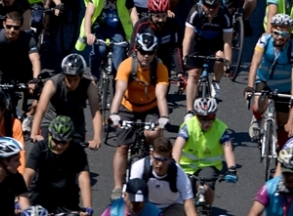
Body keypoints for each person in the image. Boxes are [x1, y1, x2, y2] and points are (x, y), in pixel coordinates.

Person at [109, 31, 171, 196]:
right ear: (136, 50)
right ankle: (117, 186)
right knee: (122, 147)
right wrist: (114, 114)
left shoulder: (160, 68)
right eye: (143, 51)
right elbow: (119, 92)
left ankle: (154, 177)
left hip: (150, 108)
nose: (146, 56)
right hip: (127, 108)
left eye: (150, 52)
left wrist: (164, 118)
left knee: (155, 136)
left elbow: (161, 96)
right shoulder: (126, 65)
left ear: (155, 52)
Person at [246, 11, 293, 143]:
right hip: (264, 80)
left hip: (284, 86)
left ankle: (282, 151)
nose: (279, 37)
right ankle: (257, 119)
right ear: (271, 31)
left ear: (289, 34)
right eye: (276, 33)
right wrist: (250, 86)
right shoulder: (264, 41)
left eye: (284, 34)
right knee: (259, 105)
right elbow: (255, 64)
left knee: (283, 121)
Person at [172, 98, 238, 211]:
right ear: (196, 116)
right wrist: (174, 167)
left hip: (209, 166)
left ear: (214, 116)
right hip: (186, 167)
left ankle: (206, 210)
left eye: (209, 119)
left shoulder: (221, 128)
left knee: (206, 188)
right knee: (183, 195)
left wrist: (232, 168)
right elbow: (177, 147)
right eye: (202, 119)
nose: (206, 123)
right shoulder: (188, 126)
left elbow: (227, 149)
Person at [30, 53, 102, 148]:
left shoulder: (89, 85)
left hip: (75, 127)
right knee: (48, 152)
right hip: (52, 123)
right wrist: (34, 133)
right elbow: (41, 109)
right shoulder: (52, 83)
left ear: (81, 76)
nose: (71, 84)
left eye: (75, 79)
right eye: (68, 79)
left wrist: (97, 138)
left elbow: (96, 112)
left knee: (76, 156)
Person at [24, 115, 92, 212]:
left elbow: (83, 177)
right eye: (56, 141)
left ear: (70, 139)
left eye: (63, 142)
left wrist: (87, 207)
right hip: (41, 196)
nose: (59, 146)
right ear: (49, 135)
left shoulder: (77, 151)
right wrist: (19, 199)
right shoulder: (40, 148)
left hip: (66, 199)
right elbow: (28, 173)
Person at [182, 0, 233, 114]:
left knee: (220, 57)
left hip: (216, 41)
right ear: (202, 3)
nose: (211, 9)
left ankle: (216, 82)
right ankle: (189, 111)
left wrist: (228, 64)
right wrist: (185, 57)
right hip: (198, 41)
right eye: (207, 5)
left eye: (214, 6)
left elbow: (227, 42)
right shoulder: (195, 12)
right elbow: (188, 37)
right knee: (193, 74)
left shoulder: (224, 15)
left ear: (219, 4)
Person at [76, 0, 133, 79]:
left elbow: (133, 15)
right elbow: (88, 15)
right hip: (100, 28)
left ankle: (115, 85)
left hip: (117, 31)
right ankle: (94, 77)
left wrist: (135, 35)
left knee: (118, 60)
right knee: (99, 51)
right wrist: (88, 33)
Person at [129, 135, 197, 216]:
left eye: (164, 160)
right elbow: (130, 197)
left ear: (170, 158)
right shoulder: (139, 167)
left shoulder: (179, 175)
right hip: (146, 204)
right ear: (151, 155)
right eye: (157, 159)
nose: (160, 164)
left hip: (172, 206)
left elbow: (189, 208)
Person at [245, 146, 293, 216]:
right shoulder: (269, 188)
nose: (290, 177)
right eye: (286, 173)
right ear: (281, 170)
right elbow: (254, 213)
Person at [0, 7, 41, 86]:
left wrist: (35, 79)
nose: (12, 30)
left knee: (32, 92)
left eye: (16, 27)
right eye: (9, 26)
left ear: (21, 26)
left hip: (24, 73)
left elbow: (35, 59)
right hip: (3, 74)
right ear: (4, 24)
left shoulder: (28, 38)